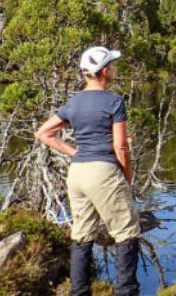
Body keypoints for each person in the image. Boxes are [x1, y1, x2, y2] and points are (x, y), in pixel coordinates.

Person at [35, 46, 141, 296]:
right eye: (112, 65)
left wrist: (74, 153)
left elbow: (43, 133)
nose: (114, 69)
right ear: (104, 71)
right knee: (126, 232)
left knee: (82, 236)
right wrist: (126, 175)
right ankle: (126, 292)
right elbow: (121, 146)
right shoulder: (114, 101)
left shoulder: (74, 102)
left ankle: (79, 292)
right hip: (103, 171)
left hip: (77, 174)